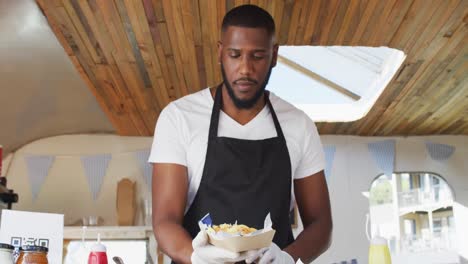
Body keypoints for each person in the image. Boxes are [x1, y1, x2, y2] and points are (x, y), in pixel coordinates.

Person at [149, 4, 332, 264]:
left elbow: (321, 224)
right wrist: (196, 257)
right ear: (220, 52)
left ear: (275, 55)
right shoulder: (179, 117)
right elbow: (165, 221)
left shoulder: (299, 125)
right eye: (235, 55)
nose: (245, 69)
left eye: (257, 56)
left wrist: (288, 259)